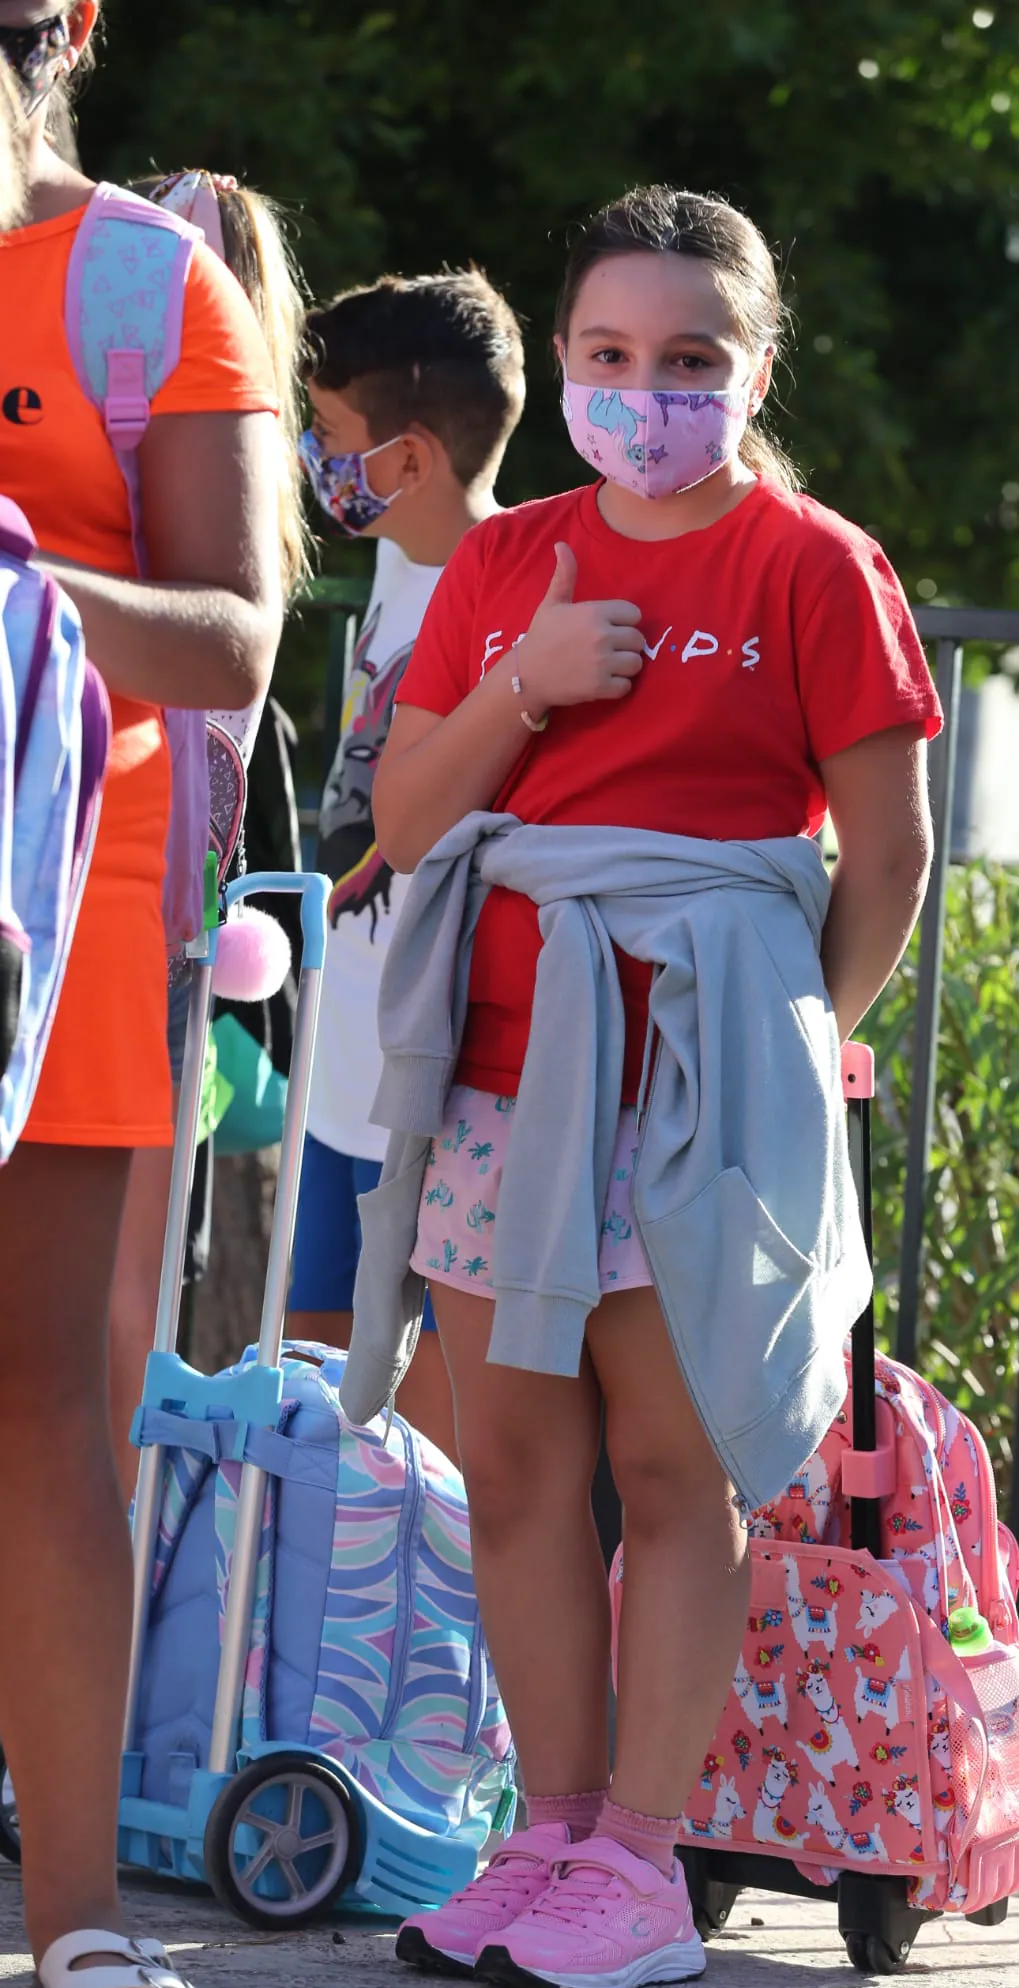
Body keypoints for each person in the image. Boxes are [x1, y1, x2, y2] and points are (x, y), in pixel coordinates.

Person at [369, 184, 939, 1988]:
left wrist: (772, 1047)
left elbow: (891, 852)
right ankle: (543, 1832)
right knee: (521, 1467)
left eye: (690, 359)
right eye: (611, 355)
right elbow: (401, 823)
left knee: (671, 1471)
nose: (648, 389)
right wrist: (525, 689)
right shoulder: (501, 563)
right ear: (562, 363)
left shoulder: (814, 563)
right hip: (496, 1080)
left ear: (755, 369)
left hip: (695, 1097)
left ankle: (638, 1856)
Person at [0, 5, 283, 1988]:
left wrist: (13, 583)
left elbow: (235, 623)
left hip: (59, 913)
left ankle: (77, 1910)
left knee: (38, 1413)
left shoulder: (137, 280)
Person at [285, 269, 526, 1466]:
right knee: (310, 1388)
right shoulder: (394, 559)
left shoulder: (515, 587)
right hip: (340, 1069)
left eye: (330, 435)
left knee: (420, 1449)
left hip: (428, 1088)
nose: (315, 457)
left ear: (413, 457)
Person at [106, 166, 310, 1502]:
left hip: (139, 901)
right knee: (118, 1312)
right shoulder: (261, 490)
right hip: (164, 912)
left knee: (111, 1318)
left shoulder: (186, 476)